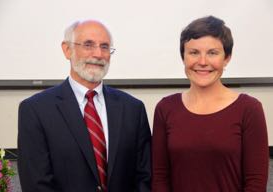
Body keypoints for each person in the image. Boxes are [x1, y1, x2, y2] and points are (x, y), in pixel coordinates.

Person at [18, 20, 151, 192]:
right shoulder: (36, 110)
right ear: (67, 50)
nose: (98, 54)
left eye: (104, 47)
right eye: (88, 45)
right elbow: (36, 184)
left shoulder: (133, 109)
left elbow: (144, 177)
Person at [152, 16, 269, 192]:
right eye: (194, 52)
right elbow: (160, 178)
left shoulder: (249, 109)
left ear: (227, 58)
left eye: (212, 53)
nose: (203, 62)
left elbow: (255, 183)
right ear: (183, 57)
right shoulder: (165, 108)